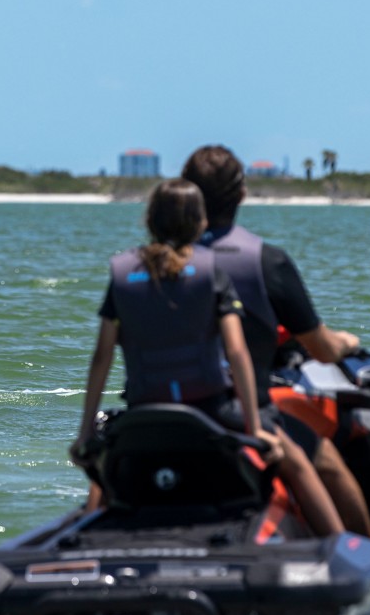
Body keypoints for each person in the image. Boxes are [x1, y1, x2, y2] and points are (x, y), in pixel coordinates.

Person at [70, 178, 344, 537]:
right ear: (200, 223)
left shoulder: (123, 275)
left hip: (143, 410)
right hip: (212, 409)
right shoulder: (211, 271)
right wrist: (254, 427)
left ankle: (79, 536)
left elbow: (101, 357)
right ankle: (341, 545)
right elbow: (237, 352)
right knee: (296, 461)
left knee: (105, 474)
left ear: (149, 221)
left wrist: (85, 432)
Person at [182, 146, 370, 537]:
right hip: (235, 413)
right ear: (242, 194)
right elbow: (322, 349)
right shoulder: (266, 261)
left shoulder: (156, 259)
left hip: (162, 408)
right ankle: (362, 551)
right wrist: (346, 342)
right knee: (328, 463)